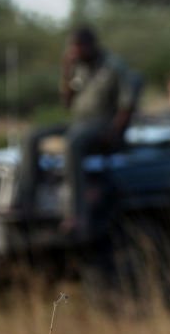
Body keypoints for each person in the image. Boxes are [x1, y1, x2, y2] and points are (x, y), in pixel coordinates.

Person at [14, 26, 140, 235]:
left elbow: (127, 106)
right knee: (31, 136)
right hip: (79, 122)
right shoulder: (78, 68)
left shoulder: (114, 67)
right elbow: (67, 103)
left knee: (73, 142)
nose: (74, 51)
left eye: (78, 47)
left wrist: (114, 133)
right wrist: (66, 71)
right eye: (71, 47)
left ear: (91, 45)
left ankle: (76, 214)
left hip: (103, 123)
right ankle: (25, 203)